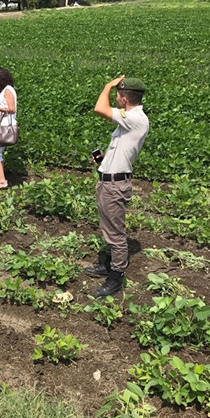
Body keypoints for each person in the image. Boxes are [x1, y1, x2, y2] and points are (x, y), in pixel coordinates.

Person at [86, 76, 149, 298]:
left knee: (116, 233)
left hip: (115, 185)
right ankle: (108, 264)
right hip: (109, 181)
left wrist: (106, 86)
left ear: (123, 98)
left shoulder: (136, 118)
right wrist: (104, 159)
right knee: (108, 228)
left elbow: (99, 108)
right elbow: (121, 148)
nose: (116, 99)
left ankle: (116, 277)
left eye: (117, 96)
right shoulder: (129, 120)